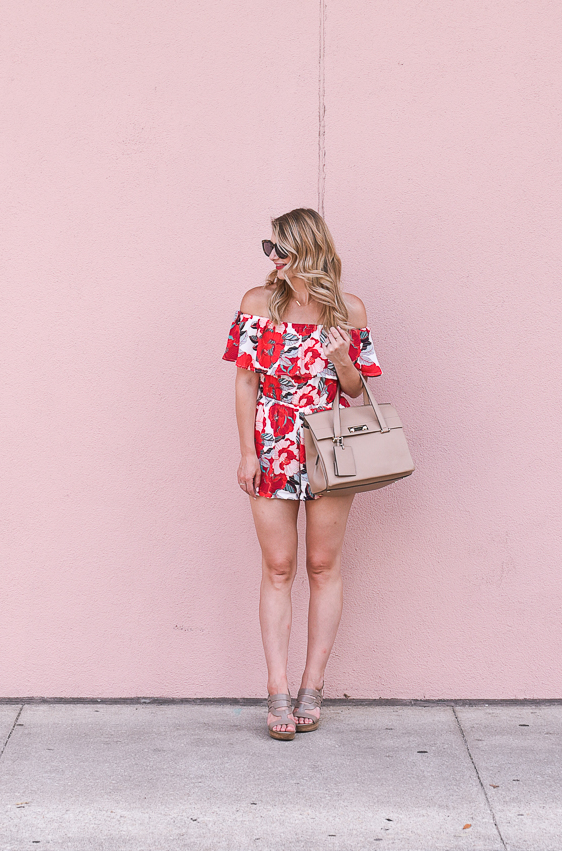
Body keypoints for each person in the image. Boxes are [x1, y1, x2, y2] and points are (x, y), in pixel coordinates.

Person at [223, 207, 381, 741]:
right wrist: (247, 452)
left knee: (321, 564)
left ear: (308, 249)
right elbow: (246, 383)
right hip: (272, 443)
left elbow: (356, 392)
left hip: (329, 446)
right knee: (278, 566)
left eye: (280, 250)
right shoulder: (258, 304)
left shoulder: (348, 310)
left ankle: (313, 686)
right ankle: (278, 689)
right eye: (268, 249)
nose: (272, 259)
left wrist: (341, 360)